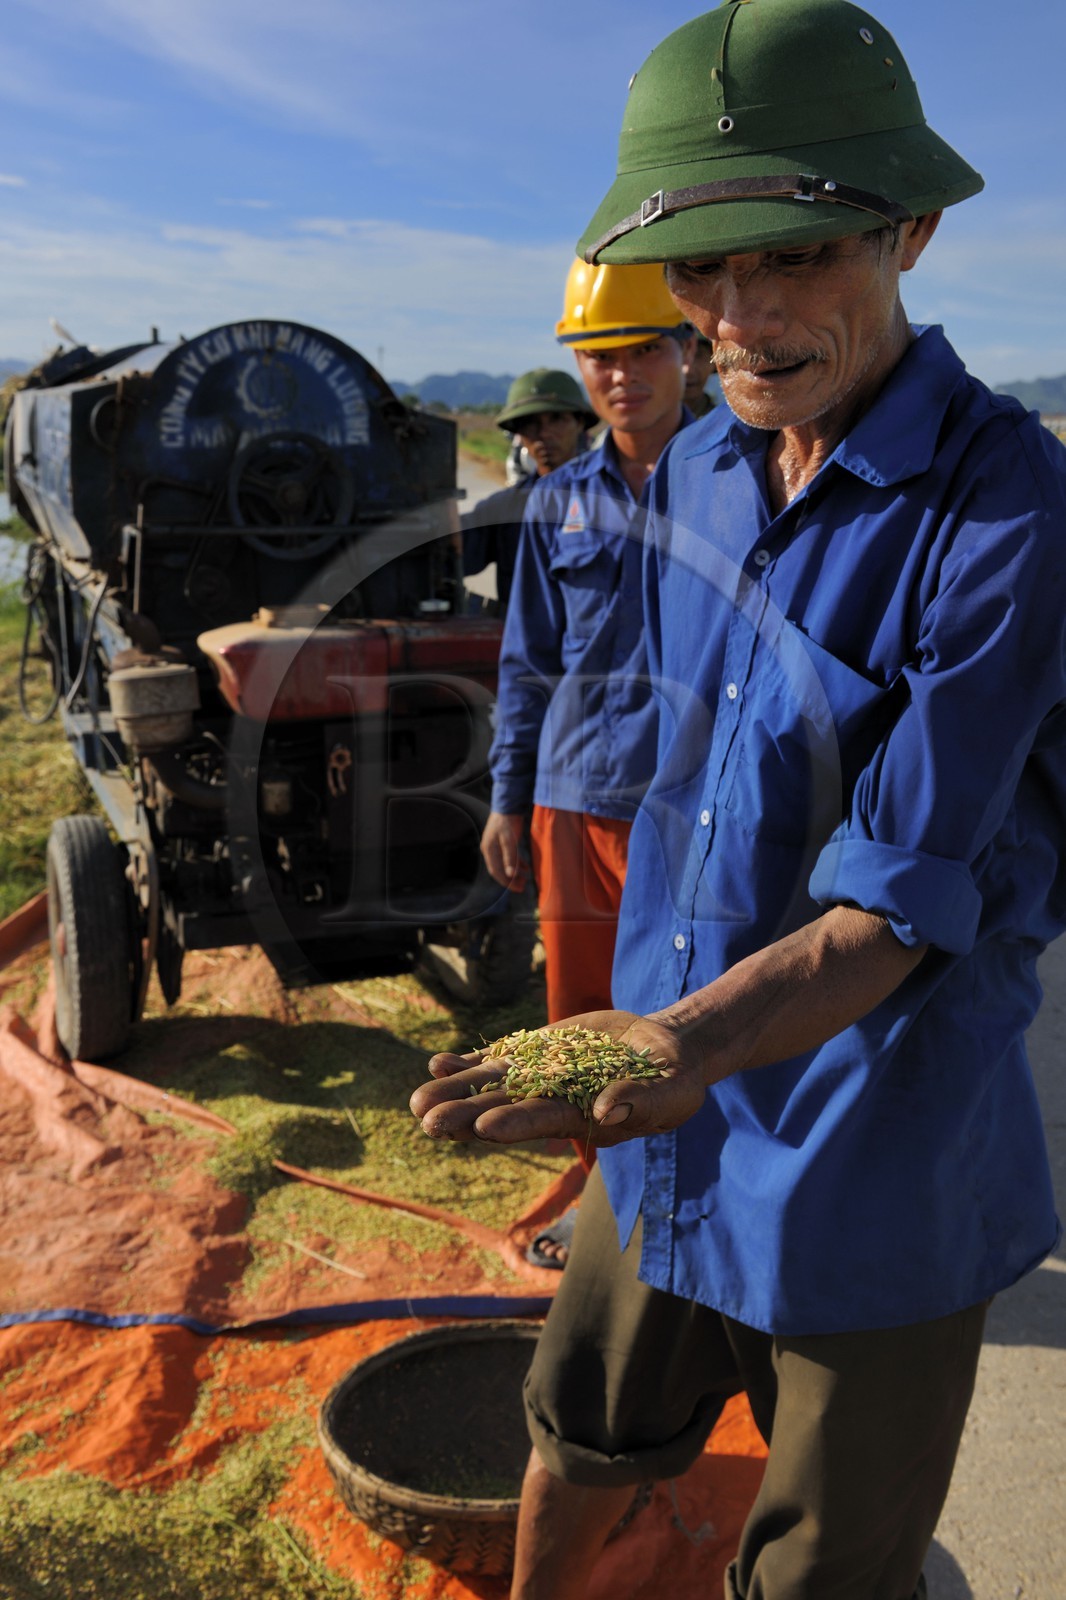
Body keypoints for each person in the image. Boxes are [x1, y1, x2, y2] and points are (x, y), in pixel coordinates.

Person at [412, 2, 1066, 1596]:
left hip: (870, 1149)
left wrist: (682, 1042)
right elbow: (684, 768)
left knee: (826, 1561)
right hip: (654, 1121)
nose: (741, 315)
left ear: (905, 230)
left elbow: (900, 893)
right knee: (577, 1426)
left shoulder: (1003, 510)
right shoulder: (700, 473)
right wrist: (630, 1021)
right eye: (700, 271)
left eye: (794, 256)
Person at [479, 260, 696, 1265]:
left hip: (694, 805)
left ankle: (695, 1204)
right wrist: (506, 798)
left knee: (688, 1010)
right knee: (579, 1022)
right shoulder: (557, 502)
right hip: (572, 796)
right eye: (599, 355)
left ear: (688, 348)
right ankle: (602, 1203)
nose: (621, 374)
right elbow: (525, 662)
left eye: (644, 347)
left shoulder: (746, 482)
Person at [461, 368, 594, 616]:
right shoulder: (505, 509)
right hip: (529, 648)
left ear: (580, 423)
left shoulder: (611, 497)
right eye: (530, 424)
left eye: (556, 419)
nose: (544, 433)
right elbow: (450, 555)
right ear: (518, 435)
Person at [684, 329, 718, 418]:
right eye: (682, 355)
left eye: (698, 355)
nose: (689, 370)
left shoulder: (725, 423)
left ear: (715, 363)